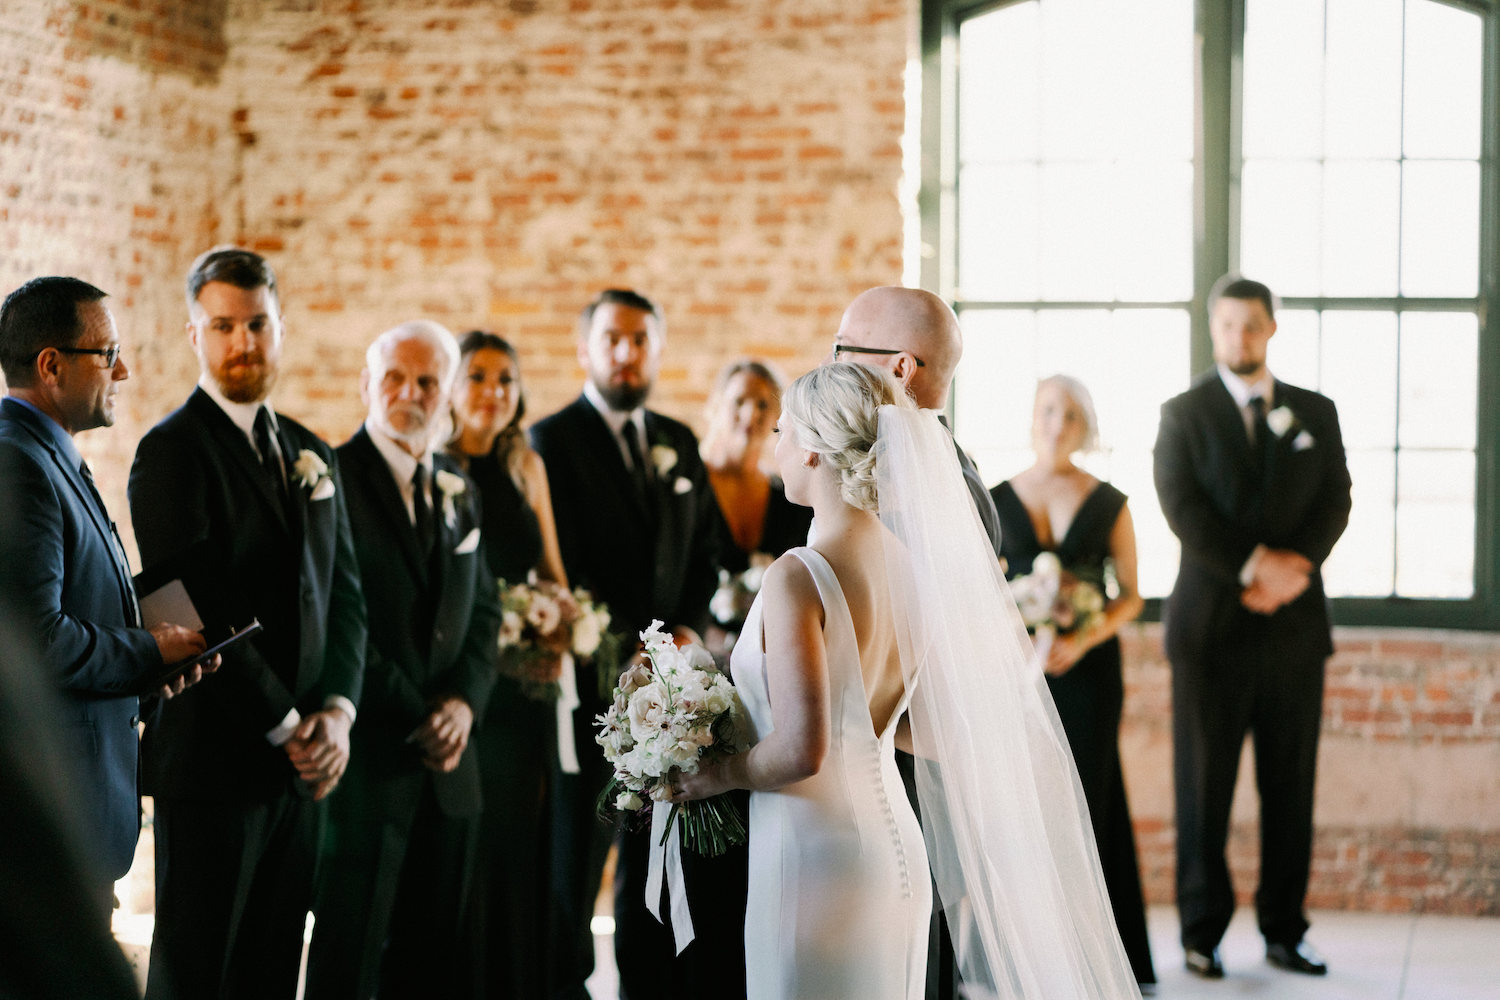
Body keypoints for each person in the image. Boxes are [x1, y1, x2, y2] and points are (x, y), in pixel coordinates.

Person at [675, 362, 1139, 1000]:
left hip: (814, 857)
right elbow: (927, 730)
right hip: (897, 847)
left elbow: (804, 750)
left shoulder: (797, 575)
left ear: (811, 448)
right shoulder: (911, 567)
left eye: (782, 430)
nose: (775, 447)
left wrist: (711, 775)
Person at [128, 247, 367, 1000]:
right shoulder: (171, 451)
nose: (243, 342)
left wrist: (337, 714)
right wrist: (288, 726)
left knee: (271, 974)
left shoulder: (310, 449)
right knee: (196, 976)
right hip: (215, 762)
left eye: (257, 324)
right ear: (195, 335)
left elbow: (344, 597)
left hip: (302, 769)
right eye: (223, 326)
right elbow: (191, 604)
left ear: (280, 327)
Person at [530, 289, 733, 998]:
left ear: (657, 349)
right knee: (576, 861)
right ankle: (566, 986)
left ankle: (646, 987)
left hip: (672, 695)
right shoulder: (551, 442)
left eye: (640, 340)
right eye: (612, 339)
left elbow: (707, 551)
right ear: (584, 349)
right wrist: (629, 647)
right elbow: (560, 562)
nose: (626, 353)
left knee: (658, 858)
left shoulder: (677, 439)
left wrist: (685, 630)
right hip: (591, 688)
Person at [1154, 274, 1351, 980]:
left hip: (1294, 628)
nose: (1239, 336)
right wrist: (1253, 567)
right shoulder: (1182, 414)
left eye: (1251, 324)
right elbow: (1180, 504)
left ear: (1271, 328)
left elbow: (1337, 499)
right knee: (1202, 788)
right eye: (1227, 324)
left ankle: (1285, 930)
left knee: (1290, 788)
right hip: (1209, 634)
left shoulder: (1315, 411)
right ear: (1214, 329)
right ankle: (1201, 932)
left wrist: (1293, 571)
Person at [0, 276, 209, 919]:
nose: (123, 371)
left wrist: (148, 674)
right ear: (51, 366)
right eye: (107, 353)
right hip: (52, 823)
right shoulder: (19, 464)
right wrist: (146, 650)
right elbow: (38, 643)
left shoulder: (48, 454)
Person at [304, 321, 500, 999]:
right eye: (394, 377)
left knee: (435, 968)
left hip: (451, 772)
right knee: (349, 965)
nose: (410, 393)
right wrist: (422, 713)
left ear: (448, 394)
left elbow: (485, 612)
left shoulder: (459, 487)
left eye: (427, 382)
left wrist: (464, 705)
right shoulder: (328, 480)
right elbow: (336, 619)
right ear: (366, 384)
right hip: (369, 765)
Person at [829, 285, 1000, 999]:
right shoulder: (929, 467)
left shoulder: (919, 486)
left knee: (904, 960)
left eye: (844, 351)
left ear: (901, 367)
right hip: (885, 753)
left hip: (897, 762)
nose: (830, 366)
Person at [989, 375, 1155, 989]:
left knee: (1091, 796)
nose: (1057, 424)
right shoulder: (995, 497)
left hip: (1089, 675)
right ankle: (1026, 948)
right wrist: (1019, 638)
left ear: (1086, 427)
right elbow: (979, 589)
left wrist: (1082, 639)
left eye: (1071, 415)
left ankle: (1101, 950)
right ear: (1032, 417)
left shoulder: (1111, 502)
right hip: (1016, 673)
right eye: (1048, 410)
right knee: (1022, 796)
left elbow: (1131, 597)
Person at [448, 329, 566, 998]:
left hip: (522, 696)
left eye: (505, 380)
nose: (493, 392)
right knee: (468, 847)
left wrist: (558, 630)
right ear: (453, 384)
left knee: (520, 846)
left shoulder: (528, 467)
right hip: (463, 692)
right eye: (478, 376)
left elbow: (553, 574)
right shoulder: (435, 465)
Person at [699, 359, 813, 655]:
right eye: (739, 401)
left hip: (771, 654)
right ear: (716, 406)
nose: (751, 414)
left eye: (763, 405)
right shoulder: (690, 489)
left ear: (777, 417)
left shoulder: (789, 497)